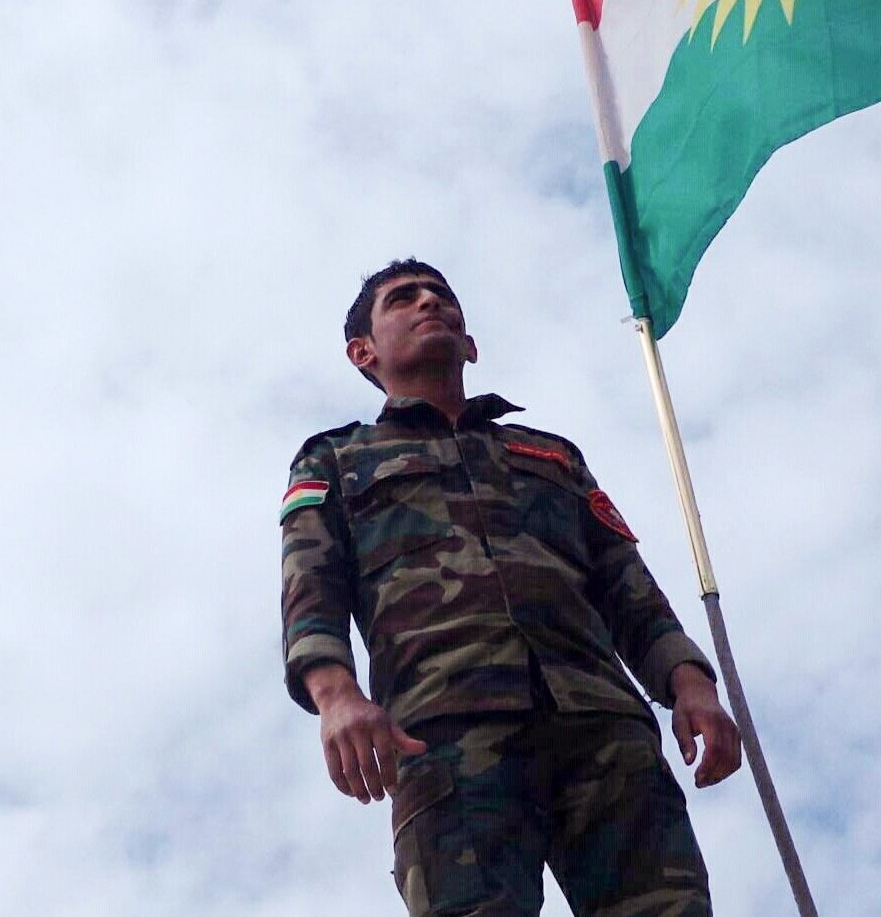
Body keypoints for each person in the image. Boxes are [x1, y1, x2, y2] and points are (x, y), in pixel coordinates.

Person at [280, 259, 741, 916]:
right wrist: (335, 696)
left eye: (441, 295)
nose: (428, 302)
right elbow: (310, 584)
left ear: (470, 344)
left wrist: (691, 684)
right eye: (403, 298)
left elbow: (626, 586)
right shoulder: (334, 459)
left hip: (600, 726)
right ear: (363, 351)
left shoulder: (549, 455)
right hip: (445, 731)